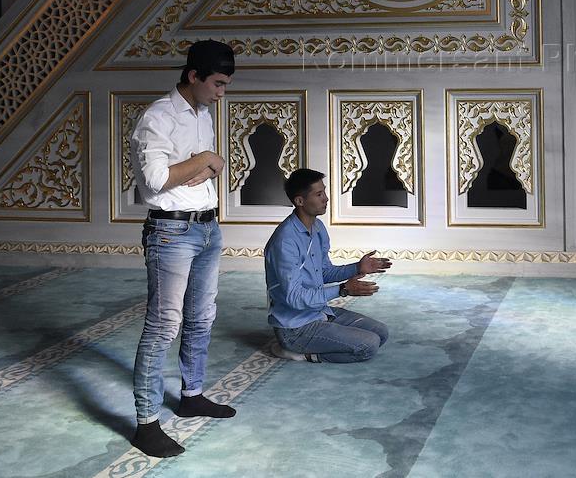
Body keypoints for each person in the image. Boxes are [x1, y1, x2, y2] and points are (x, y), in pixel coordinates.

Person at [129, 40, 237, 458]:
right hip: (171, 233)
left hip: (208, 228)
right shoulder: (157, 117)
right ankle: (146, 424)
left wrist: (210, 163)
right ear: (194, 76)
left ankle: (191, 396)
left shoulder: (202, 114)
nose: (221, 93)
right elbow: (156, 180)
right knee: (163, 326)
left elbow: (207, 169)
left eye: (225, 85)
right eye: (217, 83)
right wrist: (207, 158)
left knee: (202, 317)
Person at [264, 168, 393, 363]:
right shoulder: (285, 242)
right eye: (319, 194)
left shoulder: (317, 228)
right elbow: (294, 297)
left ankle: (319, 337)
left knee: (381, 332)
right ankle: (299, 352)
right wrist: (343, 290)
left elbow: (323, 272)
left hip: (318, 312)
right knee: (368, 345)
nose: (326, 198)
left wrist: (357, 267)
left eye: (324, 192)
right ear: (300, 201)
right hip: (295, 328)